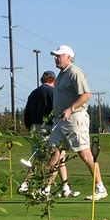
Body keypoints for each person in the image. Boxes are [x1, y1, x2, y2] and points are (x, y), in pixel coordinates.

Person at [46, 44, 107, 201]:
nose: (56, 58)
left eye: (59, 55)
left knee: (84, 154)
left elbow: (86, 95)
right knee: (54, 152)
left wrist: (70, 109)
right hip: (61, 120)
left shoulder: (74, 72)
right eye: (55, 55)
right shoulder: (61, 75)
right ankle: (45, 189)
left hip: (75, 119)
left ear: (68, 57)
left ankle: (100, 187)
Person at [18, 70, 79, 198]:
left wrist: (30, 127)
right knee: (52, 157)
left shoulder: (33, 93)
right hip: (49, 128)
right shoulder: (54, 92)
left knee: (58, 156)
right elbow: (58, 109)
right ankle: (37, 186)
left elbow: (27, 114)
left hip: (35, 128)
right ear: (54, 80)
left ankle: (65, 187)